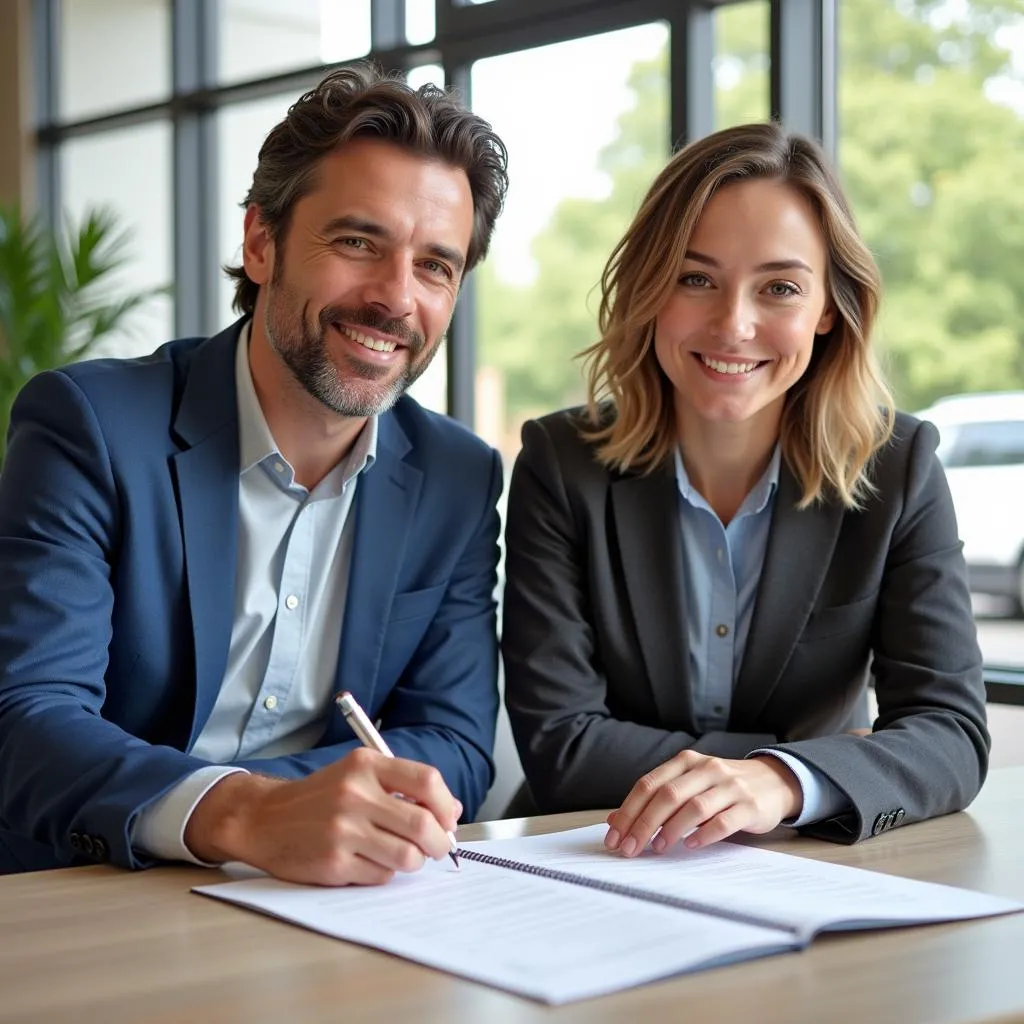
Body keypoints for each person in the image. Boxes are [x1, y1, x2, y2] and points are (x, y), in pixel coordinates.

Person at [0, 63, 509, 884]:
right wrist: (244, 815)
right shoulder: (90, 426)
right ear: (261, 242)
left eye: (435, 266)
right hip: (83, 893)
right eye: (357, 242)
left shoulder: (458, 476)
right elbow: (27, 720)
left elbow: (452, 745)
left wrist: (293, 821)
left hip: (322, 902)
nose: (393, 298)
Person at [501, 122, 989, 856]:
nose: (734, 325)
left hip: (802, 864)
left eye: (781, 288)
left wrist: (784, 781)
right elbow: (562, 749)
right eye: (696, 278)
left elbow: (951, 735)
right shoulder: (560, 463)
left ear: (828, 308)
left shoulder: (899, 466)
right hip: (586, 854)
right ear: (651, 289)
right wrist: (799, 755)